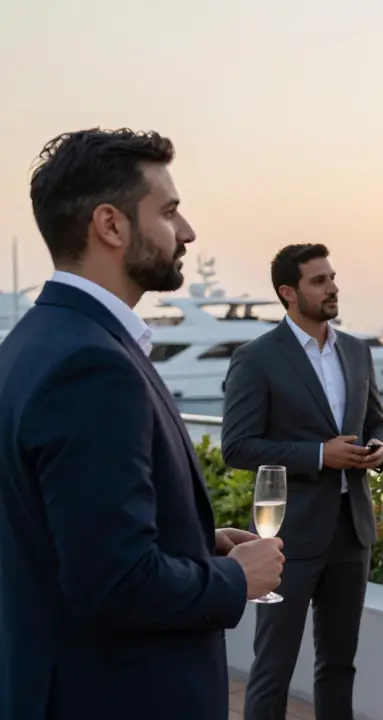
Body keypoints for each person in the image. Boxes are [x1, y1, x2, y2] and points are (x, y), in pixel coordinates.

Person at [0, 128, 284, 720]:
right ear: (111, 225)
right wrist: (234, 579)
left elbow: (64, 532)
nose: (187, 232)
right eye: (170, 211)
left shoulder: (33, 343)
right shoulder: (92, 365)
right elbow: (113, 583)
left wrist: (198, 545)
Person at [221, 243, 383, 720]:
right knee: (273, 666)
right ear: (288, 293)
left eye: (332, 277)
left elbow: (378, 421)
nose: (333, 287)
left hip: (352, 531)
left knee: (339, 664)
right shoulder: (256, 358)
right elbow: (237, 446)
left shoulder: (356, 352)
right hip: (289, 535)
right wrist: (320, 455)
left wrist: (380, 450)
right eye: (319, 280)